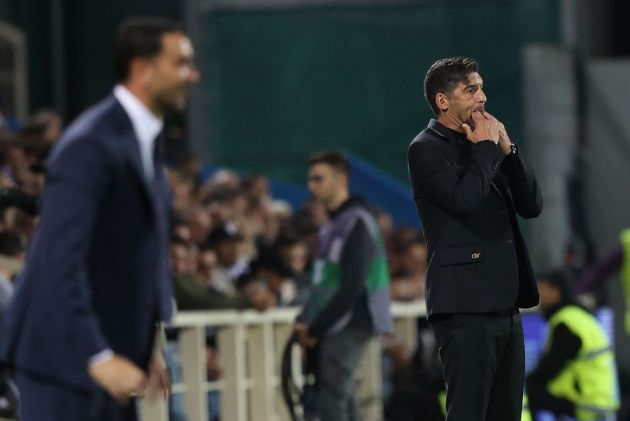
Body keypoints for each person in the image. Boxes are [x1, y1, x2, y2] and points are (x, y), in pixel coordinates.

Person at [0, 17, 199, 421]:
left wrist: (147, 346)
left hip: (109, 361)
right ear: (141, 69)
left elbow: (139, 254)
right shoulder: (91, 143)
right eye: (180, 63)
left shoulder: (143, 141)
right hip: (64, 363)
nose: (192, 76)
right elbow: (59, 258)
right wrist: (97, 354)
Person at [407, 56, 543, 421]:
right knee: (469, 413)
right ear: (443, 101)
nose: (483, 97)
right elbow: (464, 201)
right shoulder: (425, 148)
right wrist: (484, 149)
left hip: (504, 303)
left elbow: (531, 206)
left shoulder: (483, 142)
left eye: (482, 87)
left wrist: (507, 150)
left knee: (506, 415)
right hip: (465, 307)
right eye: (471, 89)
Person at [295, 150, 393, 421]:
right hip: (336, 322)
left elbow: (352, 287)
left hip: (351, 322)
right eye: (310, 179)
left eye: (318, 178)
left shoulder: (355, 223)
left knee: (332, 401)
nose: (311, 186)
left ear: (341, 179)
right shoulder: (334, 225)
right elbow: (323, 283)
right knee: (342, 398)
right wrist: (306, 319)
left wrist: (314, 326)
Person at [526, 269, 619, 420]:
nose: (539, 297)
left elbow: (550, 367)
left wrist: (527, 381)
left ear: (555, 291)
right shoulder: (578, 317)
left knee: (529, 391)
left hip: (589, 404)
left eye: (541, 289)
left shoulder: (566, 322)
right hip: (600, 401)